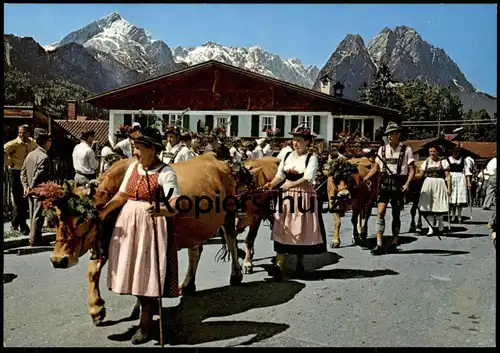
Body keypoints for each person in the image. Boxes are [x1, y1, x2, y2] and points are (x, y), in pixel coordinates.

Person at [98, 127, 181, 345]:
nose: (134, 152)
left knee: (147, 276)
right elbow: (123, 194)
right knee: (134, 273)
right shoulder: (134, 168)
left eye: (138, 148)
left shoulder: (165, 172)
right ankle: (145, 318)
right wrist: (104, 210)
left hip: (150, 227)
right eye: (134, 147)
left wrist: (163, 210)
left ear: (152, 149)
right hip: (128, 224)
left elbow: (176, 202)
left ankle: (145, 325)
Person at [264, 124, 327, 281]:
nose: (295, 143)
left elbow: (307, 178)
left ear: (307, 142)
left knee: (299, 228)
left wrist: (289, 186)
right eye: (294, 140)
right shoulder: (286, 156)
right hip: (286, 196)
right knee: (281, 226)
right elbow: (280, 175)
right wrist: (271, 184)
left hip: (303, 196)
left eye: (299, 140)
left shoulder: (311, 158)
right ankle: (279, 265)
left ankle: (299, 263)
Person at [363, 122, 415, 255]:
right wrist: (365, 178)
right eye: (388, 134)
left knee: (396, 213)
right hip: (385, 183)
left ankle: (394, 241)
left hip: (399, 183)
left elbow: (412, 170)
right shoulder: (382, 150)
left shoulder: (406, 150)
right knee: (380, 211)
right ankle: (379, 244)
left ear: (398, 134)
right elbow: (375, 168)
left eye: (393, 133)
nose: (390, 136)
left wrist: (407, 184)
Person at [20, 129, 53, 246]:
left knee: (33, 215)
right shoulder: (43, 157)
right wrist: (31, 186)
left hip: (30, 190)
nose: (50, 143)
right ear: (45, 142)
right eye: (49, 141)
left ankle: (35, 237)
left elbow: (23, 172)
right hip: (39, 190)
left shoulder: (30, 154)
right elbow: (38, 176)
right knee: (37, 216)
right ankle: (34, 240)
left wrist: (25, 187)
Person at [4, 124, 38, 235]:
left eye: (23, 133)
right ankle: (22, 225)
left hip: (28, 172)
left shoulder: (32, 143)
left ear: (29, 133)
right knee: (19, 200)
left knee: (24, 199)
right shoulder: (14, 143)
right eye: (20, 132)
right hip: (16, 172)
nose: (21, 135)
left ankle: (16, 224)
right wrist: (10, 163)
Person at [416, 144, 452, 236]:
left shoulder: (443, 162)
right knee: (427, 207)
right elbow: (421, 175)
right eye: (430, 152)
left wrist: (449, 188)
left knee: (438, 205)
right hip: (428, 184)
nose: (432, 153)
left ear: (438, 152)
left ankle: (440, 224)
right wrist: (411, 175)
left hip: (439, 184)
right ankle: (430, 227)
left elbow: (448, 176)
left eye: (434, 151)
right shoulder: (426, 162)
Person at [446, 146, 471, 223]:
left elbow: (467, 171)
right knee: (452, 199)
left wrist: (468, 182)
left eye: (457, 152)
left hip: (461, 179)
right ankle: (453, 215)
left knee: (459, 199)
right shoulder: (447, 160)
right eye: (454, 152)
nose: (455, 153)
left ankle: (459, 215)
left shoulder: (464, 160)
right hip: (451, 178)